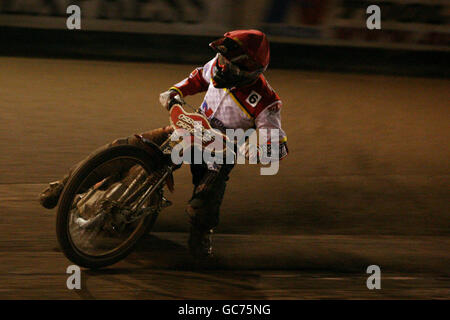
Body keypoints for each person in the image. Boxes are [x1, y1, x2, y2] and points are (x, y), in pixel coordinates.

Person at [39, 29, 288, 259]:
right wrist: (175, 92)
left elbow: (274, 143)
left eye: (228, 64)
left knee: (202, 203)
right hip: (189, 129)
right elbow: (197, 77)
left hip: (218, 153)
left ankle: (201, 234)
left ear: (247, 69)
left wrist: (254, 149)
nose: (220, 67)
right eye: (220, 60)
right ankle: (64, 185)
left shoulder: (267, 102)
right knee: (128, 148)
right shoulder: (217, 66)